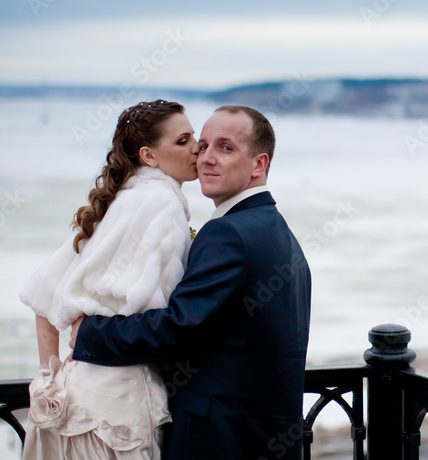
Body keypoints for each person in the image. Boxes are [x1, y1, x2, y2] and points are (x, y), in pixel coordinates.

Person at [71, 105, 312, 460]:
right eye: (203, 145)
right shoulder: (280, 234)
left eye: (226, 148)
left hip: (219, 440)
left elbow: (177, 328)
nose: (206, 158)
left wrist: (91, 334)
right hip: (267, 436)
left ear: (259, 164)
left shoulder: (229, 234)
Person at [19, 99, 198, 460]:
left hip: (74, 397)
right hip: (122, 409)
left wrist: (47, 381)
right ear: (148, 156)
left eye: (194, 136)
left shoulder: (119, 202)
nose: (198, 147)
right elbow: (166, 326)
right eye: (182, 141)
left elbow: (42, 296)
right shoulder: (162, 202)